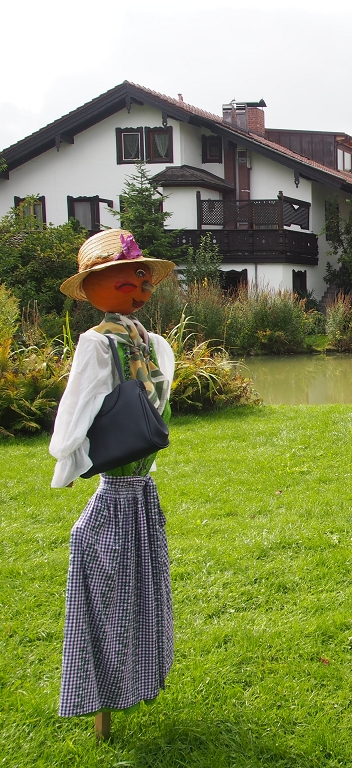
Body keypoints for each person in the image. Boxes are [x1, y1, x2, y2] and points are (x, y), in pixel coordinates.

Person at [49, 229, 176, 730]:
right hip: (139, 492)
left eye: (144, 280)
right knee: (133, 587)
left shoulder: (109, 343)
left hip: (124, 492)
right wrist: (70, 460)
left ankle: (109, 684)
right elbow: (148, 410)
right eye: (130, 279)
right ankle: (130, 677)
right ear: (95, 286)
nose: (141, 288)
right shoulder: (144, 344)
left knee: (105, 588)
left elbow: (78, 411)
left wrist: (67, 464)